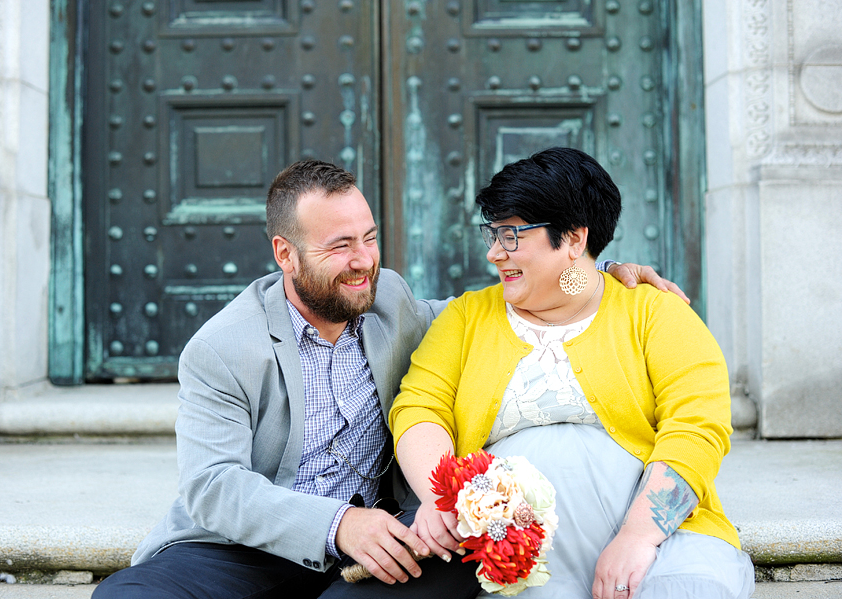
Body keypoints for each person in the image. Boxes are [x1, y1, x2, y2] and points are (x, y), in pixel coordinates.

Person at [93, 158, 684, 599]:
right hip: (246, 551)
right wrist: (339, 525)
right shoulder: (221, 349)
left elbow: (498, 305)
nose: (364, 259)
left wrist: (593, 271)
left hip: (393, 541)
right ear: (285, 254)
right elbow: (212, 486)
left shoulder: (389, 301)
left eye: (370, 238)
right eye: (340, 245)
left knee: (472, 555)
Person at [390, 148, 755, 599]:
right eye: (493, 234)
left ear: (574, 240)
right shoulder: (467, 317)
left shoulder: (655, 313)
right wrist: (440, 495)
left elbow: (698, 427)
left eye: (511, 236)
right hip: (519, 554)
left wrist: (639, 537)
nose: (493, 254)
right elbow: (419, 407)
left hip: (657, 540)